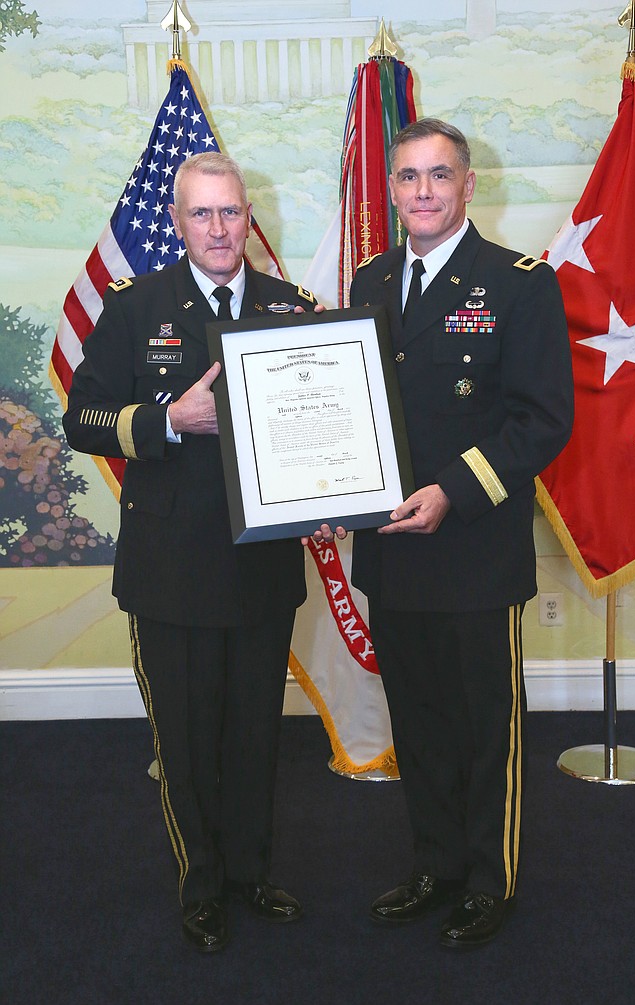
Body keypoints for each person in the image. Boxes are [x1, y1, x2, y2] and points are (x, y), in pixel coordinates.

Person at [309, 118, 573, 949]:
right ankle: (434, 864)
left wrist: (453, 491)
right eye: (409, 177)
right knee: (416, 721)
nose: (423, 191)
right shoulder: (373, 278)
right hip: (391, 548)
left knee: (482, 726)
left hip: (472, 551)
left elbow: (542, 421)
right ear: (390, 189)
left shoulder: (519, 283)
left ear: (468, 186)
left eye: (440, 175)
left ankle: (487, 879)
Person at [64, 152, 319, 953]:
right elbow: (83, 417)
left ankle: (249, 871)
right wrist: (169, 420)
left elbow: (319, 423)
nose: (218, 228)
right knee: (184, 736)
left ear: (250, 217)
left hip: (261, 566)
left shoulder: (288, 307)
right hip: (170, 569)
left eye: (232, 213)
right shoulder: (138, 306)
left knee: (253, 735)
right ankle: (201, 884)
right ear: (177, 223)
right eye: (202, 214)